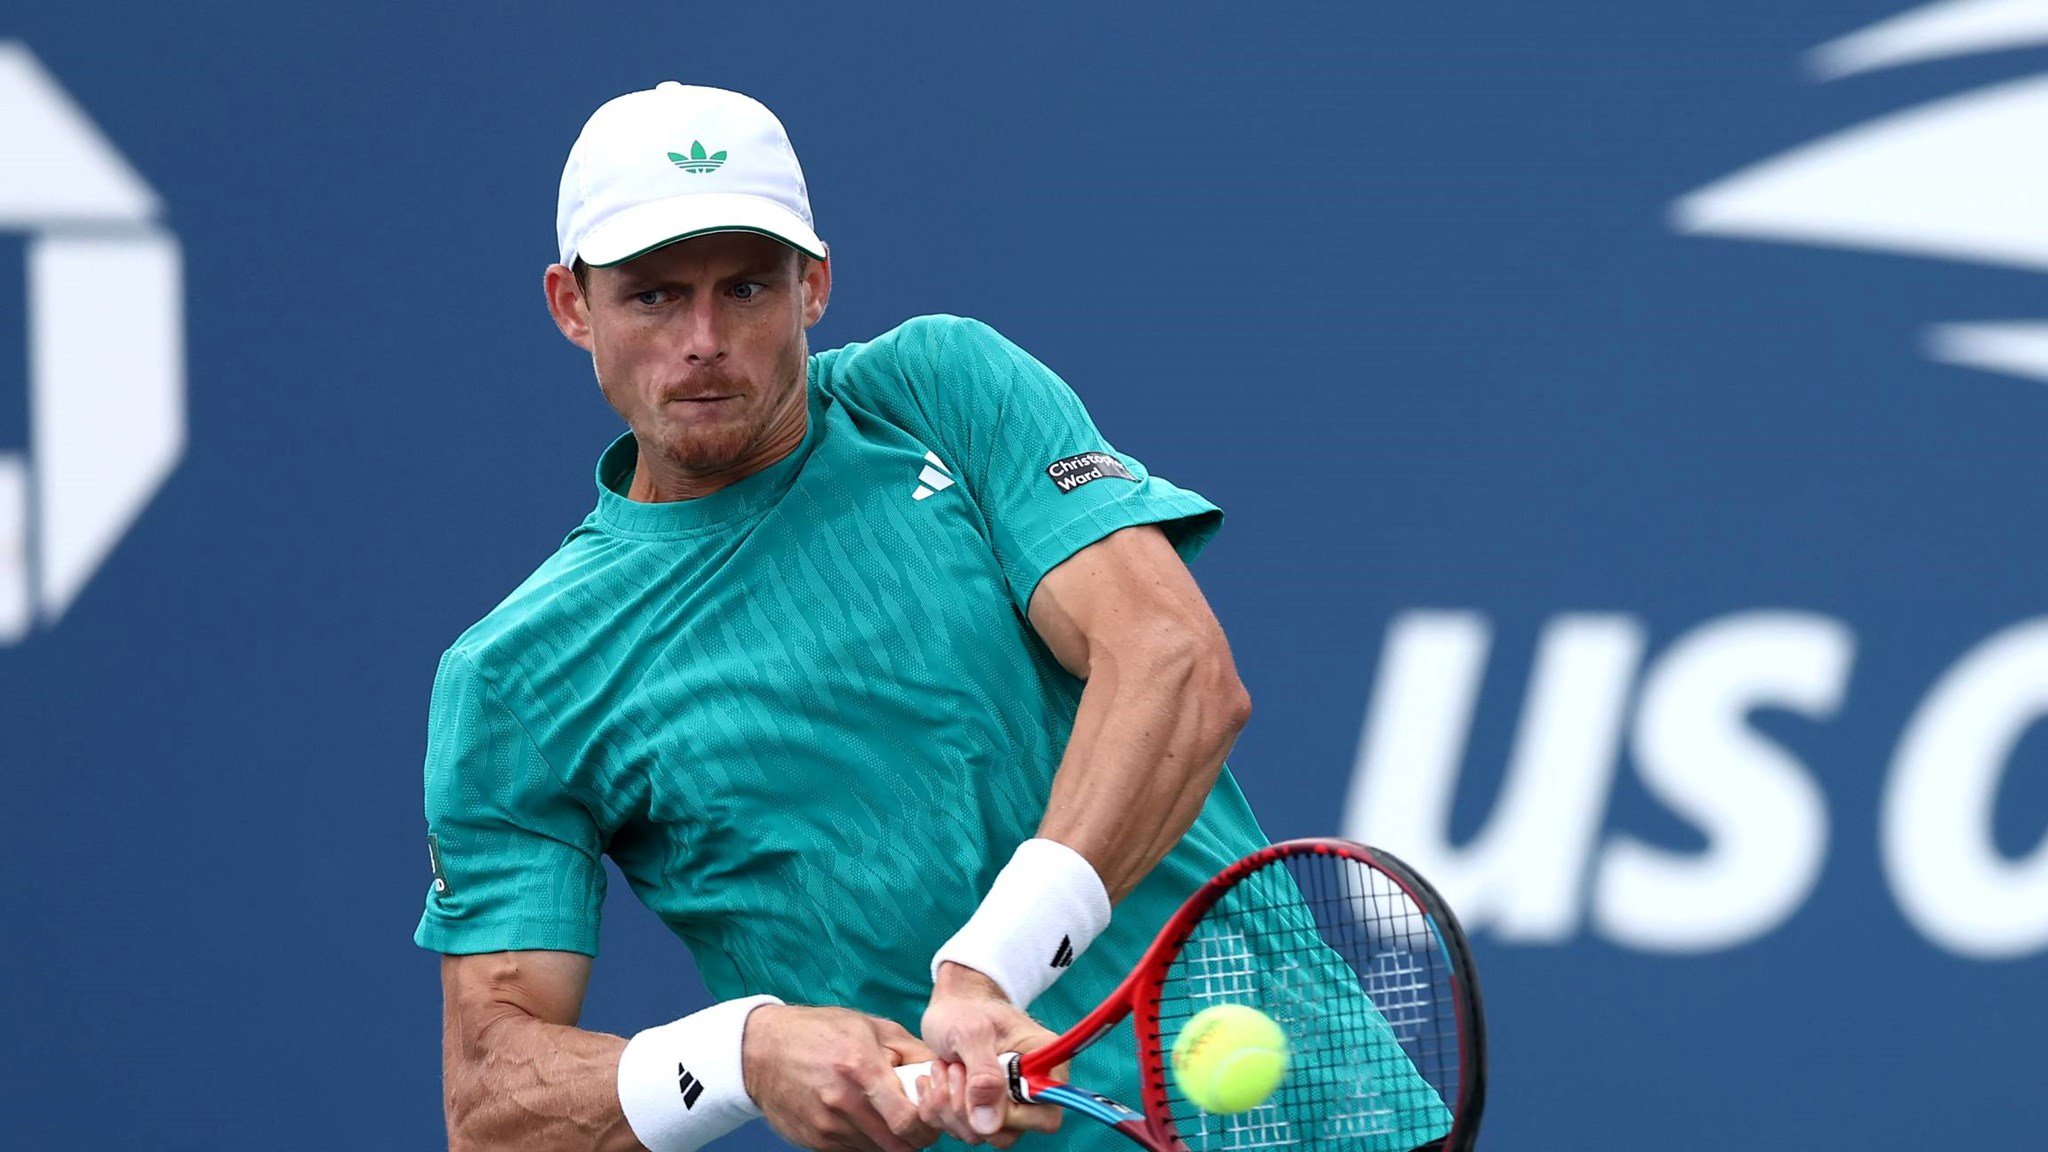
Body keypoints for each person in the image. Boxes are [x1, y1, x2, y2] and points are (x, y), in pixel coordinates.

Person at [418, 81, 1423, 1152]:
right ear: (572, 306)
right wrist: (744, 1055)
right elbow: (493, 1102)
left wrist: (990, 963)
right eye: (654, 296)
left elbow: (1174, 668)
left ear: (814, 286)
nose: (704, 337)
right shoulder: (518, 675)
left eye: (747, 286)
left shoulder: (941, 390)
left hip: (1317, 1123)